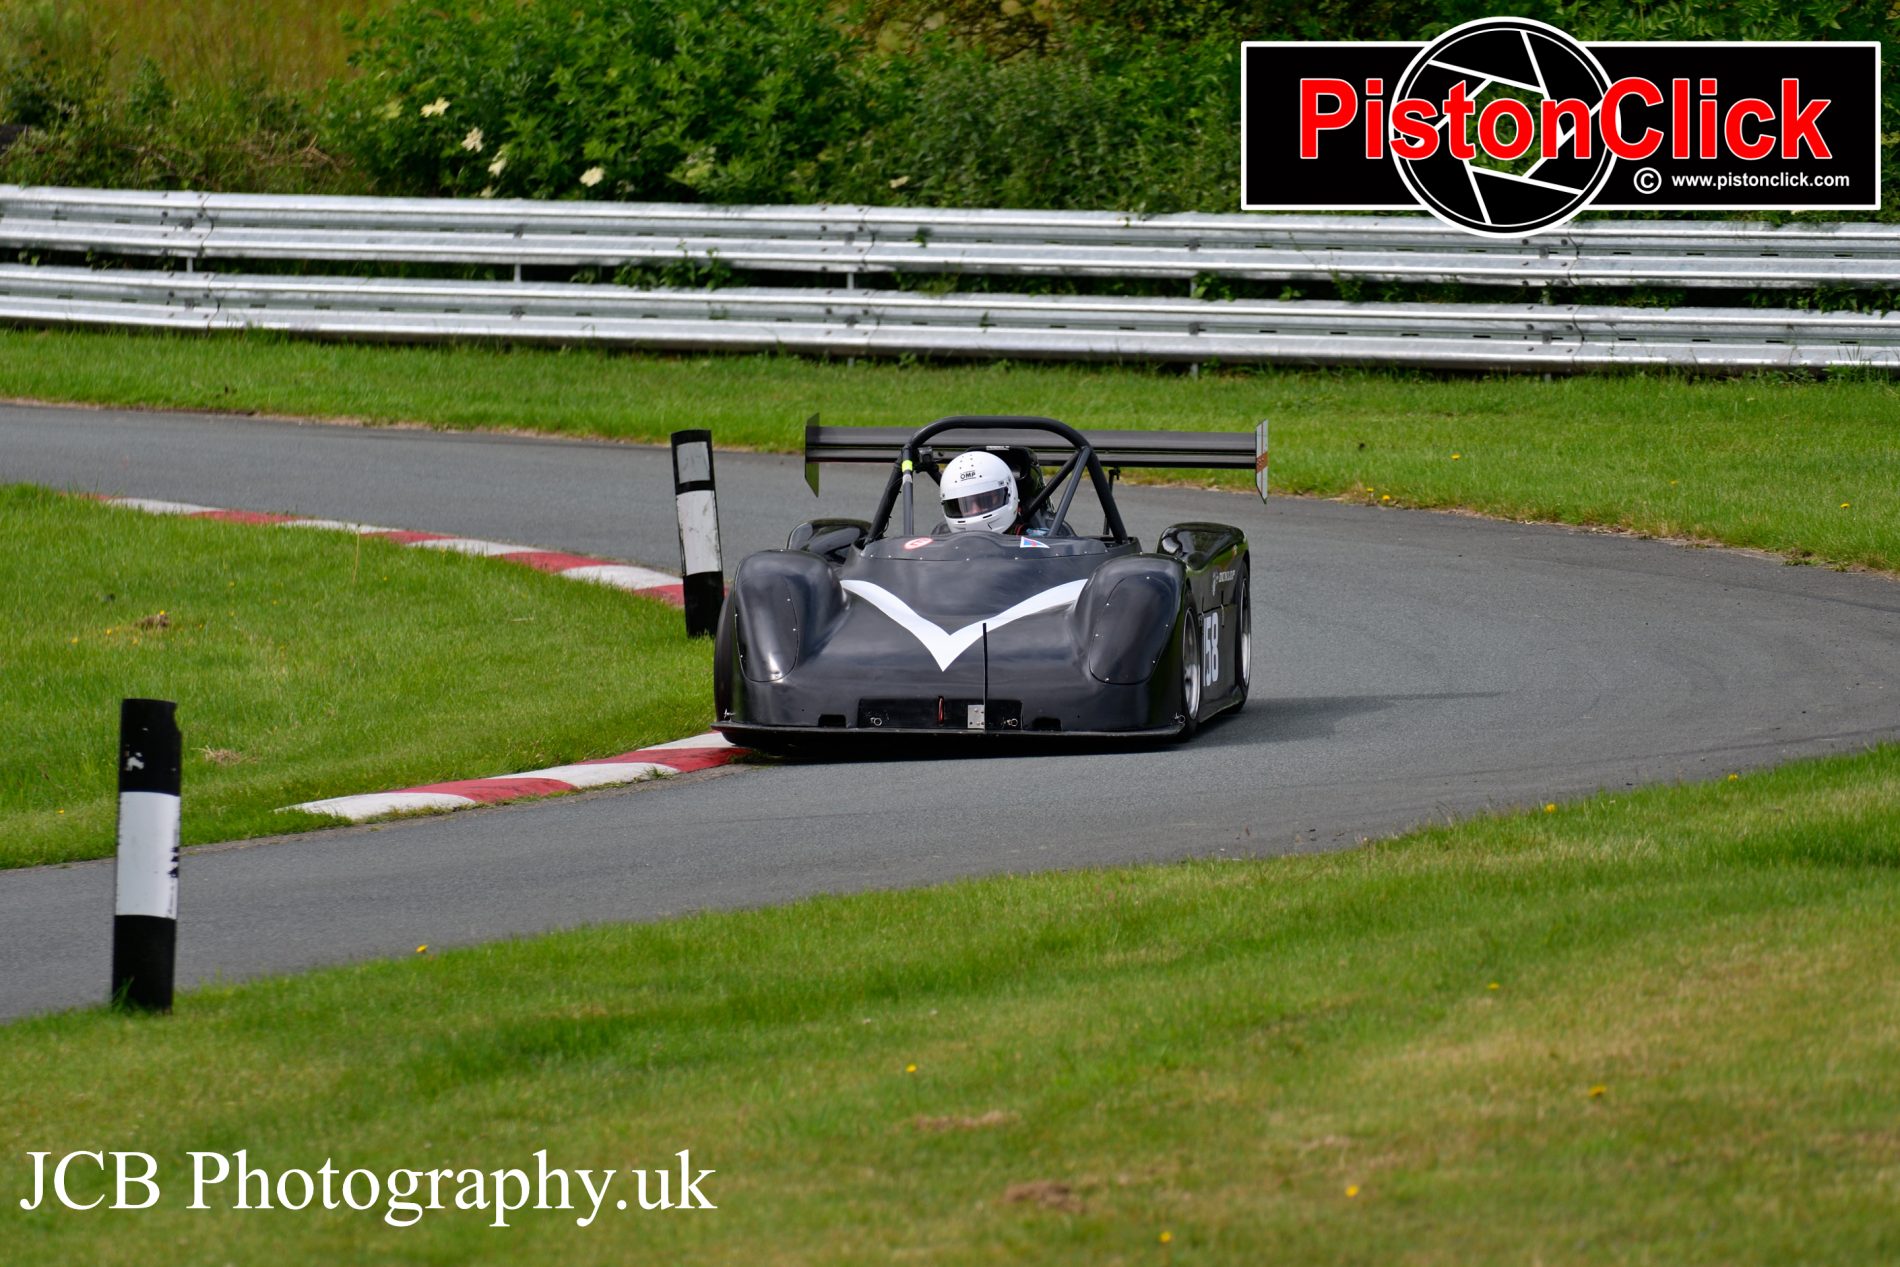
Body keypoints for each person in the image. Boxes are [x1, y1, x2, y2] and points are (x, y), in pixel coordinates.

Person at [939, 450, 1020, 533]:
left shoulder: (1031, 537)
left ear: (1010, 493)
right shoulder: (940, 538)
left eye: (986, 500)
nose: (975, 511)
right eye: (963, 506)